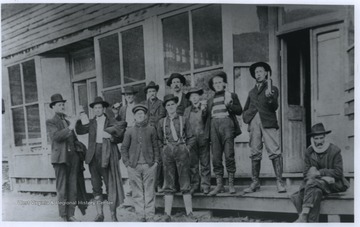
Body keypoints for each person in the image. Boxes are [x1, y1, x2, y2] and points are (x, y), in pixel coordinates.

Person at [75, 96, 127, 222]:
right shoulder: (91, 122)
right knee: (96, 186)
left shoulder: (111, 121)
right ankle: (100, 214)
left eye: (99, 107)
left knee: (110, 186)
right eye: (95, 108)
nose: (97, 110)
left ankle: (113, 215)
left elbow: (120, 136)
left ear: (103, 108)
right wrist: (80, 116)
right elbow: (80, 130)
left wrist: (111, 137)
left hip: (107, 155)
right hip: (93, 156)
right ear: (93, 110)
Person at [290, 123, 350, 222]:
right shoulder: (309, 152)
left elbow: (339, 172)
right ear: (312, 139)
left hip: (334, 183)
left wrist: (320, 173)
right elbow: (305, 174)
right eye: (316, 138)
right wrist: (316, 176)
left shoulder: (334, 151)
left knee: (311, 183)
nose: (319, 141)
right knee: (315, 192)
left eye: (321, 138)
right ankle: (311, 222)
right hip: (316, 185)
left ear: (325, 137)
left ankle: (304, 215)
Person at [242, 62, 286, 193]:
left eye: (260, 71)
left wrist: (270, 98)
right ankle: (255, 182)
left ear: (266, 73)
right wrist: (249, 118)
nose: (258, 74)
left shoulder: (272, 88)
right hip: (254, 123)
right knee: (255, 152)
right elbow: (245, 109)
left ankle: (279, 181)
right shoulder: (251, 92)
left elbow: (274, 107)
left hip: (268, 121)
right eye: (256, 72)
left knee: (274, 151)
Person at [46, 94, 88, 221]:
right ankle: (63, 216)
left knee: (72, 187)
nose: (62, 106)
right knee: (62, 188)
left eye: (63, 104)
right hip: (60, 159)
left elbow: (74, 137)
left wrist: (82, 117)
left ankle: (71, 215)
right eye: (59, 104)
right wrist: (71, 126)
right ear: (53, 107)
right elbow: (57, 137)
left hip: (72, 158)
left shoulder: (68, 120)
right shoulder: (51, 121)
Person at [157, 94, 197, 222]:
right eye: (168, 105)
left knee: (185, 182)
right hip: (168, 152)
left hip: (181, 150)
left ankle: (189, 213)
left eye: (172, 104)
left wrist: (187, 149)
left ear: (176, 105)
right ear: (165, 107)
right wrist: (163, 150)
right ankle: (167, 214)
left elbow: (191, 137)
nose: (170, 107)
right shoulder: (161, 122)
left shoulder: (183, 119)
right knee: (168, 183)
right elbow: (158, 140)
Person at [204, 71, 243, 196]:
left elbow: (239, 111)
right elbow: (206, 118)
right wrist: (204, 111)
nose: (218, 84)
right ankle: (219, 185)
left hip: (227, 125)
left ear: (224, 83)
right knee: (216, 157)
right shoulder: (210, 100)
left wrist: (230, 106)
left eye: (220, 82)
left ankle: (231, 184)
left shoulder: (231, 95)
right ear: (213, 86)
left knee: (229, 155)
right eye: (215, 83)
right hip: (214, 126)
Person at [121, 104, 160, 222]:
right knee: (137, 192)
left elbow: (156, 147)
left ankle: (149, 215)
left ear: (145, 116)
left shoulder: (151, 129)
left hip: (149, 165)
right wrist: (127, 163)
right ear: (134, 116)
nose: (140, 116)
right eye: (138, 114)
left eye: (142, 114)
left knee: (149, 191)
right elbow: (124, 148)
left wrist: (156, 162)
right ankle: (140, 215)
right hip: (134, 166)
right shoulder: (129, 131)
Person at [183, 88, 211, 195]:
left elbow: (208, 121)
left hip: (203, 138)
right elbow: (184, 126)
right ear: (190, 99)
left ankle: (205, 185)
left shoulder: (205, 108)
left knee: (205, 163)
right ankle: (195, 185)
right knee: (193, 164)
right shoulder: (187, 110)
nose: (194, 98)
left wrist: (204, 111)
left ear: (199, 97)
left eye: (196, 95)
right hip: (191, 140)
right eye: (192, 96)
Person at [142, 81, 166, 192]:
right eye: (149, 91)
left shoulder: (161, 104)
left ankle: (159, 184)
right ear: (147, 93)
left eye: (153, 91)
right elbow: (141, 118)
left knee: (158, 160)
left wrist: (151, 123)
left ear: (156, 92)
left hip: (157, 135)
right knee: (147, 160)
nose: (152, 93)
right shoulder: (143, 104)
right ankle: (149, 185)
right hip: (146, 136)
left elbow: (161, 118)